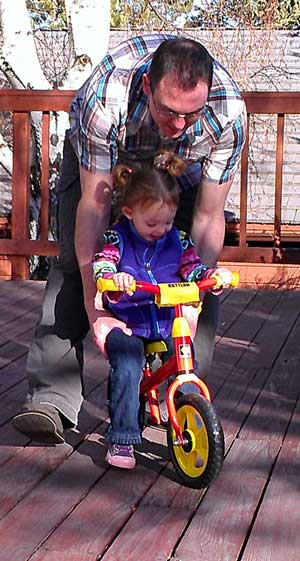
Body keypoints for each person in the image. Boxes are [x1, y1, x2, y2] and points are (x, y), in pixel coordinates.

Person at [12, 34, 246, 445]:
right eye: (169, 111)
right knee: (74, 262)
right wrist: (96, 304)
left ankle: (178, 393)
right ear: (146, 88)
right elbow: (94, 207)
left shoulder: (228, 114)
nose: (178, 126)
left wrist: (191, 298)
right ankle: (52, 396)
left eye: (191, 116)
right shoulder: (103, 100)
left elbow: (208, 217)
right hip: (104, 165)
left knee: (195, 277)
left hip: (181, 177)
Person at [93, 153, 232, 469]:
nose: (161, 229)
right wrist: (114, 278)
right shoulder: (118, 238)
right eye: (152, 223)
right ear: (129, 212)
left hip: (165, 318)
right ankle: (123, 437)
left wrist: (210, 277)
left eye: (167, 221)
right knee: (128, 364)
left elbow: (192, 266)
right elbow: (102, 266)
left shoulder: (177, 240)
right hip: (126, 319)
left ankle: (186, 411)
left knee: (185, 359)